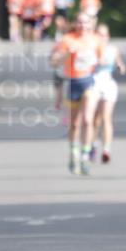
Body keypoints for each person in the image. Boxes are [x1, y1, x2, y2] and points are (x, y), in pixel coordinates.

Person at [50, 12, 104, 175]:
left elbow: (101, 60)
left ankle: (85, 156)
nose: (82, 26)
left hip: (89, 81)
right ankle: (74, 153)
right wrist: (68, 54)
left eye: (85, 23)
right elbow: (54, 62)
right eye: (79, 23)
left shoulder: (96, 39)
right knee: (74, 124)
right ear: (75, 24)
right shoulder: (67, 40)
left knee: (88, 120)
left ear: (90, 24)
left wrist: (97, 62)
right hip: (72, 82)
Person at [91, 23, 126, 163]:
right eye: (99, 34)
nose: (102, 37)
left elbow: (119, 63)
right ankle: (93, 144)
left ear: (108, 36)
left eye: (104, 35)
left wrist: (120, 67)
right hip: (93, 83)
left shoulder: (113, 49)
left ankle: (106, 149)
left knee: (106, 117)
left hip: (108, 83)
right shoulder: (91, 49)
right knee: (95, 119)